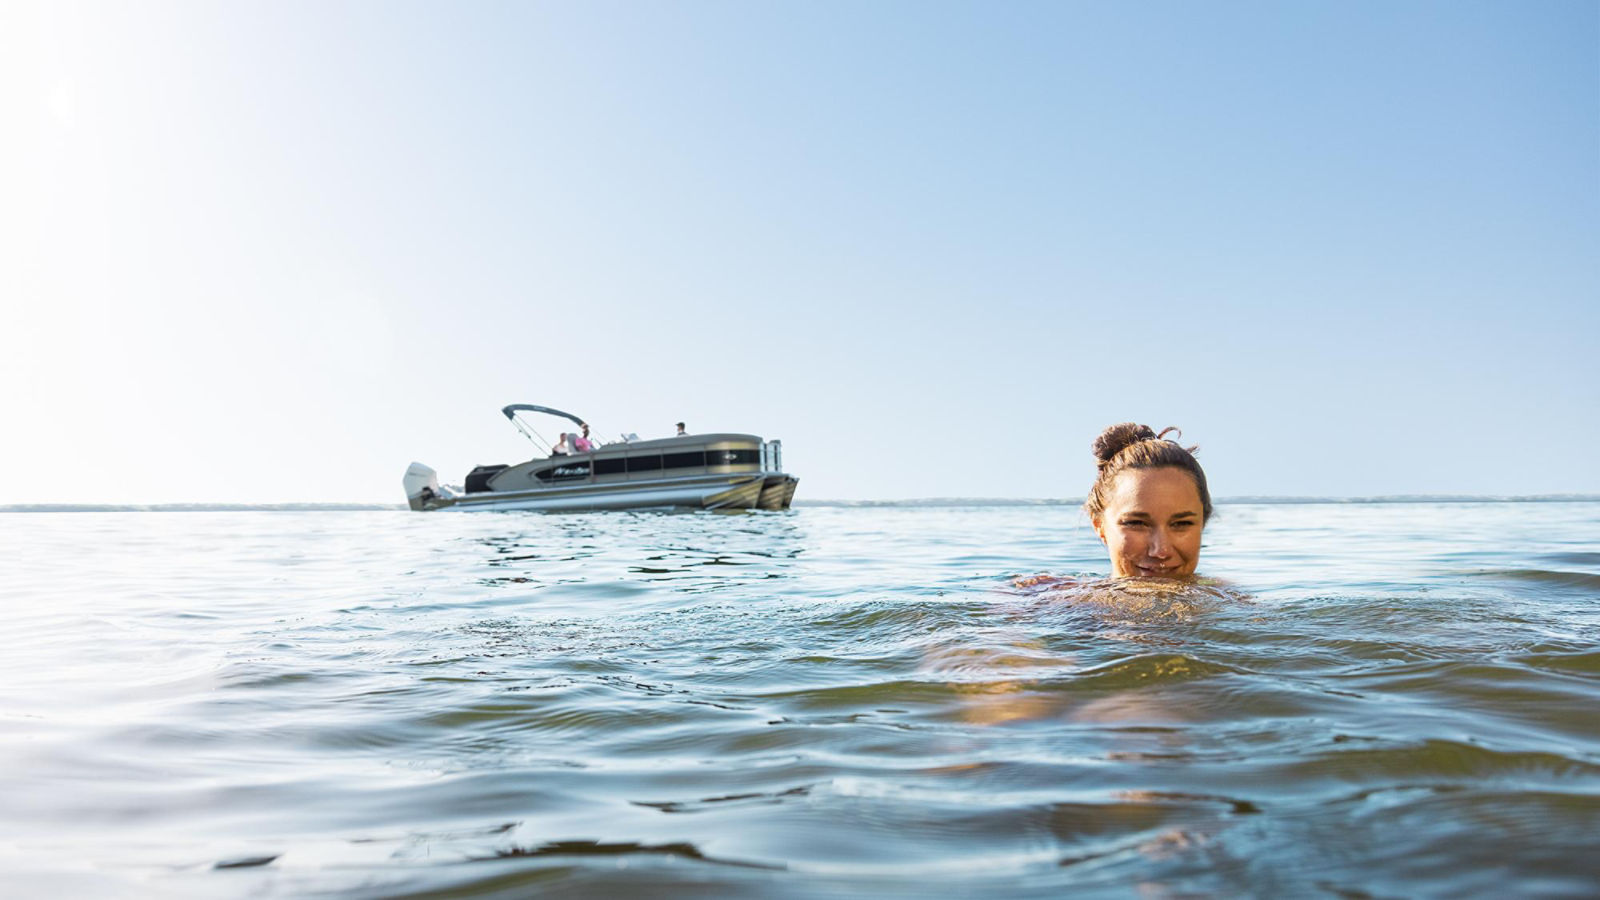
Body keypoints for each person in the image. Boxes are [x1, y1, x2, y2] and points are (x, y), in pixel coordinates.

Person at [1083, 422, 1212, 579]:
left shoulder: (1234, 599)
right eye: (1136, 523)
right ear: (1099, 526)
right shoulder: (1058, 598)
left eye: (1182, 524)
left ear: (1202, 523)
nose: (1160, 551)